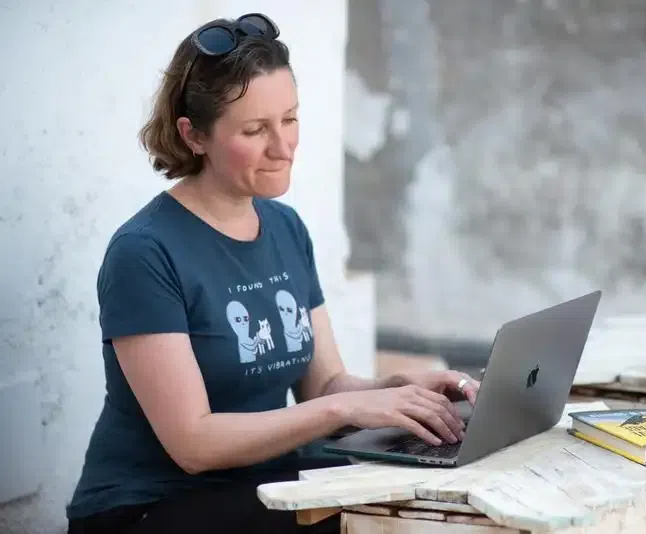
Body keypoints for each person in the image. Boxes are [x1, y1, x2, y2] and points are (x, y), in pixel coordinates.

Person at [65, 13, 480, 534]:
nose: (283, 147)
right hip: (153, 507)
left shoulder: (285, 227)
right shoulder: (144, 253)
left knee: (435, 500)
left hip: (268, 485)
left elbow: (324, 385)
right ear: (194, 136)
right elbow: (193, 444)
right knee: (370, 521)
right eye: (255, 130)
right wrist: (346, 409)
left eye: (290, 119)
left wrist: (394, 391)